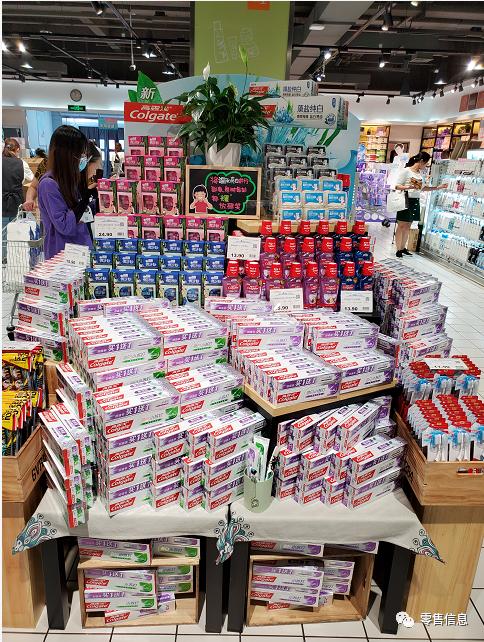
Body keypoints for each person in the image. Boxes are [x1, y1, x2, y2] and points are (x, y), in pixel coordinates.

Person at [38, 125, 93, 259]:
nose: (83, 157)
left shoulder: (70, 180)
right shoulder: (49, 185)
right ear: (68, 154)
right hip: (62, 255)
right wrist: (85, 199)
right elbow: (64, 225)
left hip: (81, 249)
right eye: (80, 153)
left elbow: (84, 213)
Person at [393, 151, 447, 258]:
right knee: (401, 225)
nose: (426, 166)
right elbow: (397, 186)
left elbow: (423, 188)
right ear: (421, 161)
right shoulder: (406, 171)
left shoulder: (420, 174)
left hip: (415, 201)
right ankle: (398, 249)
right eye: (426, 164)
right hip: (405, 199)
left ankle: (403, 248)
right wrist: (409, 187)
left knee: (408, 226)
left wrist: (437, 187)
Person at [2, 138, 34, 227]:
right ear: (18, 149)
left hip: (2, 205)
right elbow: (33, 180)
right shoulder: (22, 163)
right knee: (17, 232)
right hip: (17, 205)